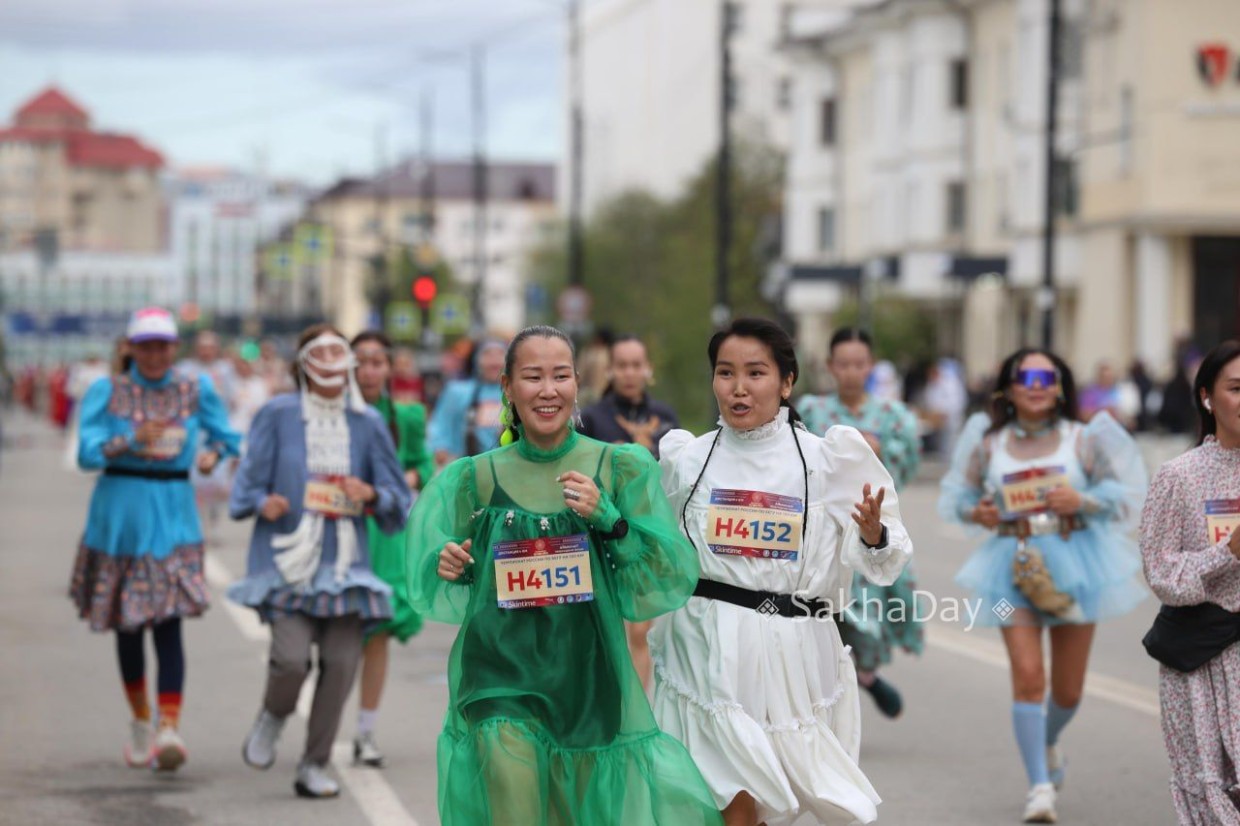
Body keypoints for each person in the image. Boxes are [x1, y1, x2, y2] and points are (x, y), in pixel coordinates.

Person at [405, 325, 721, 826]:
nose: (547, 390)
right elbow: (450, 569)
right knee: (514, 805)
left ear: (577, 384)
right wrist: (452, 565)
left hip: (585, 677)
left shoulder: (617, 467)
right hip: (499, 676)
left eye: (560, 376)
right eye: (532, 377)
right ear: (507, 387)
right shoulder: (475, 477)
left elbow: (660, 578)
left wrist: (610, 520)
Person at [652, 317, 913, 826]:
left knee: (776, 799)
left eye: (756, 373)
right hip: (704, 643)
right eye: (725, 373)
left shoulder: (827, 459)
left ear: (787, 382)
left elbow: (888, 558)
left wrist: (873, 533)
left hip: (793, 650)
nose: (739, 388)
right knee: (730, 795)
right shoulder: (688, 459)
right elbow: (657, 547)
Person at [938, 347, 1147, 823]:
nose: (1036, 385)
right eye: (1025, 377)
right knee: (1029, 676)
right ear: (1009, 387)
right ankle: (1039, 787)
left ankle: (1048, 741)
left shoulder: (1083, 439)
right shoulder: (989, 443)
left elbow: (1122, 503)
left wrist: (1082, 499)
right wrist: (980, 512)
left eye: (1046, 378)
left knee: (1068, 691)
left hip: (1078, 565)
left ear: (1059, 388)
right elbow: (959, 501)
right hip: (1009, 570)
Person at [229, 324, 410, 799]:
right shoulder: (277, 414)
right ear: (304, 363)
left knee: (341, 663)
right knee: (289, 659)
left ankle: (314, 763)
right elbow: (244, 488)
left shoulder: (367, 423)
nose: (332, 361)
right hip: (288, 561)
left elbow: (399, 497)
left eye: (339, 352)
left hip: (347, 567)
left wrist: (371, 492)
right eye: (321, 352)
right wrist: (262, 502)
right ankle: (273, 713)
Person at [70, 307, 241, 772]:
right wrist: (127, 438)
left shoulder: (194, 388)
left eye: (163, 345)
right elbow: (86, 452)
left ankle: (169, 725)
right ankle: (141, 720)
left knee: (168, 619)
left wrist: (212, 455)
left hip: (174, 513)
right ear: (130, 348)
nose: (154, 354)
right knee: (127, 624)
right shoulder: (107, 390)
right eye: (145, 345)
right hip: (120, 513)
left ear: (174, 348)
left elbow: (229, 437)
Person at [1140, 340, 1240, 824]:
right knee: (1208, 789)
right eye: (1237, 388)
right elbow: (1163, 575)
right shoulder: (1178, 478)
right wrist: (1227, 553)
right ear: (1207, 398)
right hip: (1201, 656)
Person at [800, 327, 923, 719]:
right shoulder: (813, 411)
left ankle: (862, 678)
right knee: (817, 619)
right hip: (819, 535)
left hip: (869, 530)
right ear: (831, 367)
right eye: (843, 364)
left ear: (870, 366)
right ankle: (825, 701)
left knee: (866, 620)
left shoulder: (894, 417)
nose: (851, 372)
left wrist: (880, 450)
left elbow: (907, 469)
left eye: (859, 364)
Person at [349, 330, 435, 768]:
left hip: (386, 532)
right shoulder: (334, 416)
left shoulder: (407, 417)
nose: (369, 370)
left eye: (377, 361)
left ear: (388, 368)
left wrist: (413, 479)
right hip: (343, 529)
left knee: (378, 628)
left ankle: (365, 731)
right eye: (360, 361)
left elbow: (420, 461)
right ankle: (322, 721)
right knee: (338, 633)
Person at [579, 334, 680, 691]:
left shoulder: (665, 417)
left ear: (648, 369)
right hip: (601, 531)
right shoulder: (591, 418)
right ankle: (608, 702)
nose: (629, 372)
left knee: (641, 629)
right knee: (605, 628)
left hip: (646, 533)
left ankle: (635, 712)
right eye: (621, 365)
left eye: (636, 365)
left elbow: (676, 475)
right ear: (609, 370)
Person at [179, 331, 238, 544]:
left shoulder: (225, 370)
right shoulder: (186, 369)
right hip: (192, 434)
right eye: (202, 346)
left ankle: (214, 524)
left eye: (210, 346)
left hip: (217, 435)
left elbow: (232, 399)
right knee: (195, 483)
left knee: (219, 484)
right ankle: (197, 525)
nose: (206, 351)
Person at [427, 337, 505, 466]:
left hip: (506, 467)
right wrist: (439, 446)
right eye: (487, 354)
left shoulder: (515, 393)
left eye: (500, 354)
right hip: (465, 466)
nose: (494, 359)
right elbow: (441, 422)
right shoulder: (458, 391)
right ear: (476, 360)